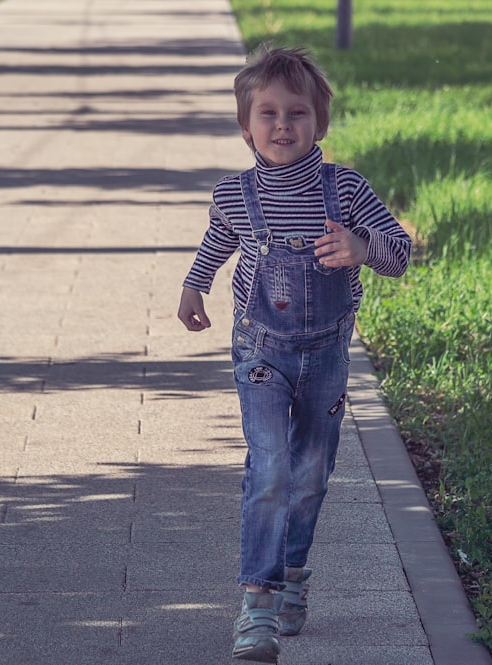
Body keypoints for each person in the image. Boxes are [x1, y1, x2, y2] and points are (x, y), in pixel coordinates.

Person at [177, 44, 411, 663]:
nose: (283, 126)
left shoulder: (346, 189)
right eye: (269, 114)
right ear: (246, 125)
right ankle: (256, 605)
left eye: (298, 114)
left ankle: (293, 570)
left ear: (319, 123)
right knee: (271, 467)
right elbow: (216, 242)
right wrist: (194, 285)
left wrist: (362, 249)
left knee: (310, 476)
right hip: (260, 353)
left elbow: (401, 253)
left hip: (327, 354)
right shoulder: (235, 194)